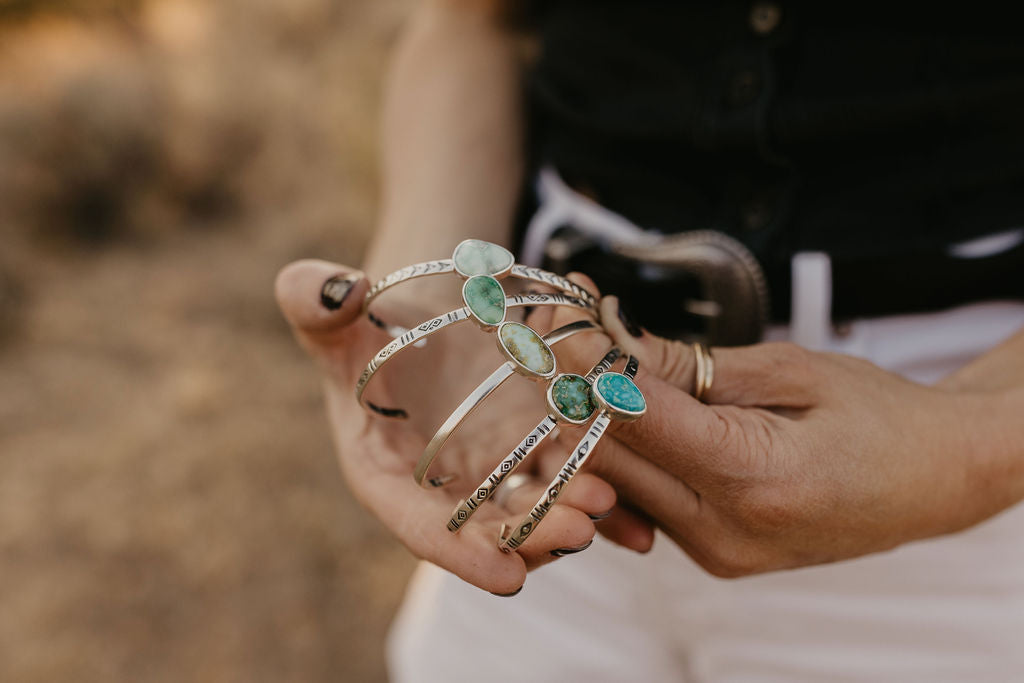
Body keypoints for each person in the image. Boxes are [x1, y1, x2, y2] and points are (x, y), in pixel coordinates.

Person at [275, 1, 1024, 679]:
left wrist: (967, 446)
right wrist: (426, 301)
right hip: (530, 442)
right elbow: (473, 22)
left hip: (950, 474)